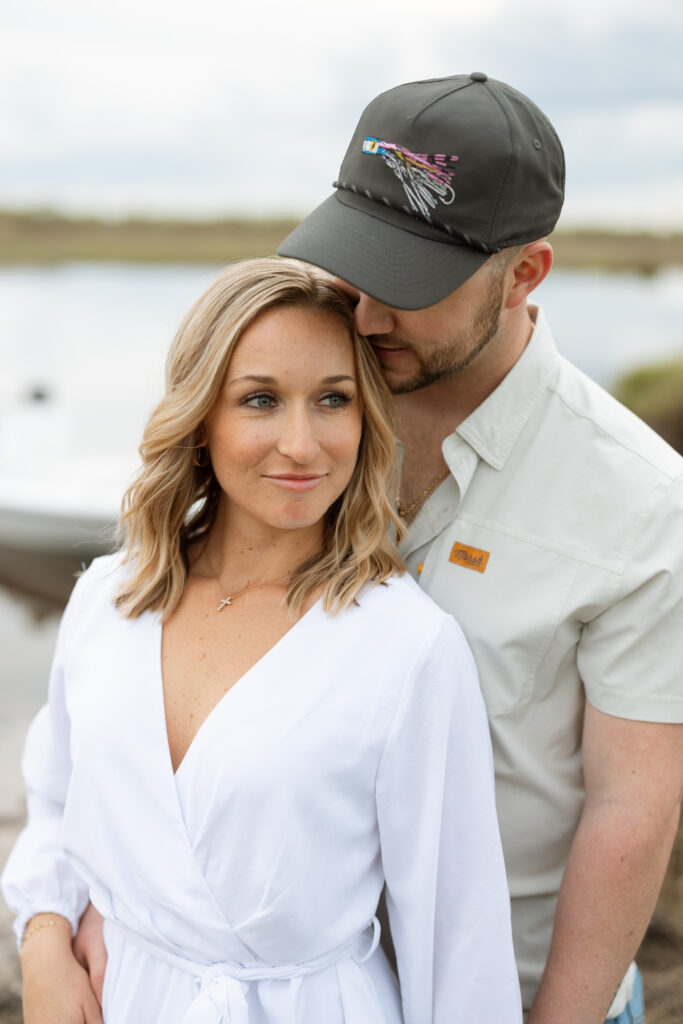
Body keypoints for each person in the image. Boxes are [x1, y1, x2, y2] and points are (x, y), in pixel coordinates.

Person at [1, 257, 522, 1023]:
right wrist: (43, 937)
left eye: (332, 400)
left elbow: (458, 936)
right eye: (260, 400)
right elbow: (53, 800)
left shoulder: (405, 647)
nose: (302, 445)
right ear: (200, 417)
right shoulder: (109, 599)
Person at [277, 73, 683, 1023]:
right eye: (355, 261)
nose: (368, 313)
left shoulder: (641, 501)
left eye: (411, 282)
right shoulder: (296, 426)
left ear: (524, 273)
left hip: (513, 992)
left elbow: (630, 807)